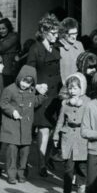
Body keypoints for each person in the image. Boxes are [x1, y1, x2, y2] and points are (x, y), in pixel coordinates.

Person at [26, 13, 62, 177]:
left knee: (47, 128)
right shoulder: (35, 48)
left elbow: (57, 72)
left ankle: (43, 162)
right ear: (44, 32)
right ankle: (32, 162)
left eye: (57, 33)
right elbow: (28, 72)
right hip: (39, 93)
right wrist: (35, 86)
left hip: (53, 94)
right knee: (37, 128)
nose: (56, 36)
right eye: (53, 33)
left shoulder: (55, 49)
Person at [0, 65, 44, 184]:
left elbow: (34, 102)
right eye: (23, 81)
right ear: (19, 78)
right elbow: (3, 103)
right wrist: (12, 111)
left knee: (25, 151)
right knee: (12, 151)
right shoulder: (10, 89)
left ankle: (21, 173)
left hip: (26, 126)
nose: (25, 85)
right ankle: (11, 175)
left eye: (28, 83)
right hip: (12, 126)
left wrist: (42, 95)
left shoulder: (31, 91)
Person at [52, 73, 89, 193]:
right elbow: (60, 121)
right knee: (68, 166)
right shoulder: (65, 104)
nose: (72, 91)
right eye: (70, 88)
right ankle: (66, 191)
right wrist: (56, 135)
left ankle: (81, 183)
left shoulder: (88, 103)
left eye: (76, 88)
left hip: (82, 137)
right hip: (68, 137)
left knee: (82, 165)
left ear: (82, 88)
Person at [0, 18, 21, 87]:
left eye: (3, 28)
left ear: (8, 28)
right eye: (0, 29)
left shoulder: (13, 37)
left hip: (8, 70)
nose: (1, 31)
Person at [58, 17, 85, 84]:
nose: (74, 37)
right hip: (64, 85)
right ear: (64, 34)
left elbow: (84, 64)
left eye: (75, 33)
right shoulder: (59, 47)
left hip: (79, 84)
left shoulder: (79, 45)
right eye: (71, 34)